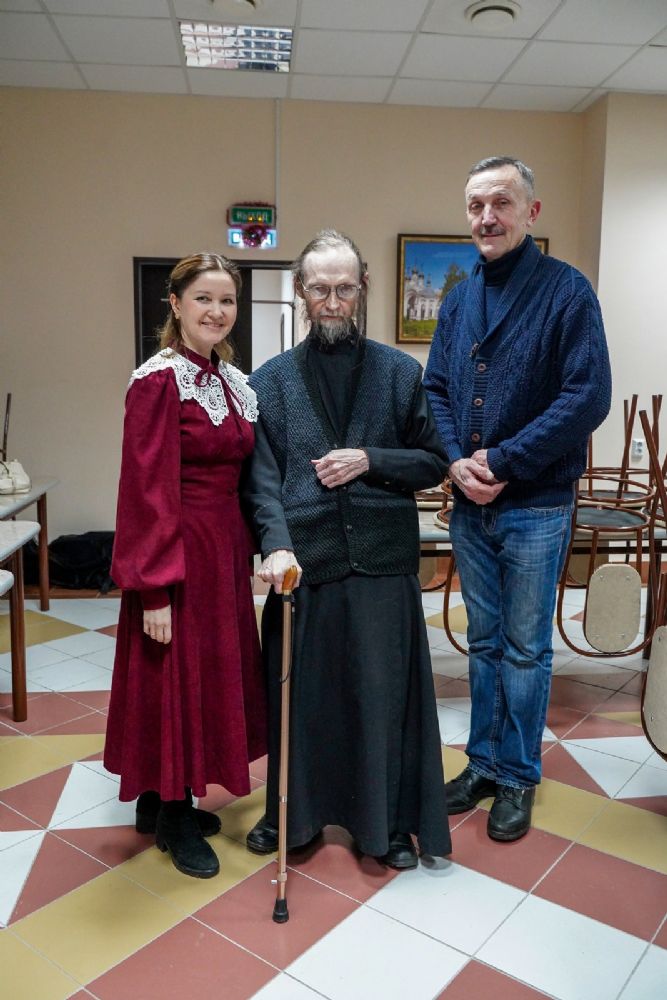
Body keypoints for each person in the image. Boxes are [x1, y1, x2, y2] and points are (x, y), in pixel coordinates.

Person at [242, 229, 451, 869]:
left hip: (382, 561)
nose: (333, 302)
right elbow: (262, 482)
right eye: (320, 289)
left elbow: (433, 461)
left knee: (380, 698)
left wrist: (370, 460)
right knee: (303, 702)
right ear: (301, 291)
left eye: (345, 289)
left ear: (363, 288)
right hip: (304, 565)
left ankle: (384, 824)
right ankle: (295, 816)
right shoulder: (269, 382)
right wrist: (275, 546)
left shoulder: (399, 373)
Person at [424, 156, 611, 841]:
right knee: (483, 643)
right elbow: (436, 388)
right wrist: (455, 460)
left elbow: (587, 395)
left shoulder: (567, 291)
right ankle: (482, 762)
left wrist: (504, 461)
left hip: (536, 504)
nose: (487, 217)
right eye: (476, 205)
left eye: (501, 202)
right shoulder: (459, 298)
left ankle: (517, 775)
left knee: (525, 649)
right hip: (472, 504)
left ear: (530, 211)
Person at [104, 253, 266, 878]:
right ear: (175, 303)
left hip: (220, 553)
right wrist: (153, 591)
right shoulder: (158, 381)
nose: (217, 312)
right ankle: (174, 813)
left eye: (227, 301)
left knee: (202, 675)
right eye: (204, 298)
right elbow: (145, 490)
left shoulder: (232, 381)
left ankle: (157, 799)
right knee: (173, 676)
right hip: (174, 556)